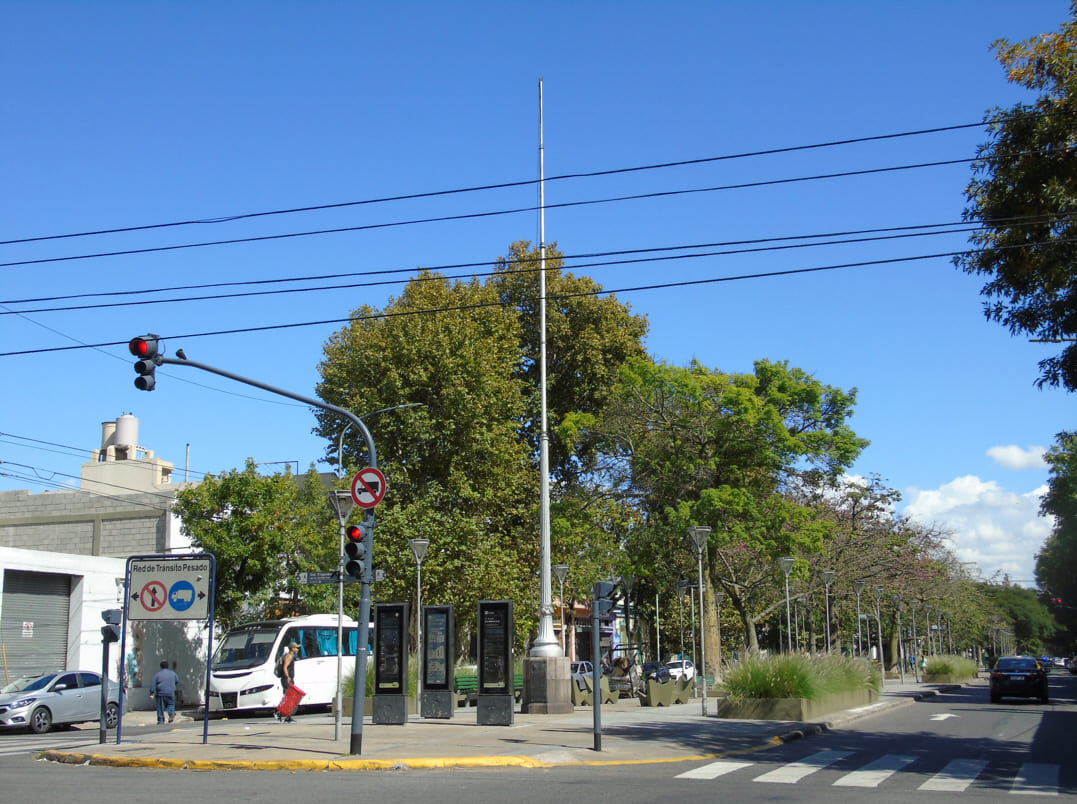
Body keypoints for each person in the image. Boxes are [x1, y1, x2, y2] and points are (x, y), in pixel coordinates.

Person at [275, 641, 300, 722]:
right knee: (290, 698)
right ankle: (278, 712)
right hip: (287, 680)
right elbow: (285, 667)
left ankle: (287, 717)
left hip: (287, 679)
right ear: (292, 649)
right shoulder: (289, 656)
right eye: (296, 648)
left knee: (289, 698)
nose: (298, 649)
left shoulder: (289, 655)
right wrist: (288, 677)